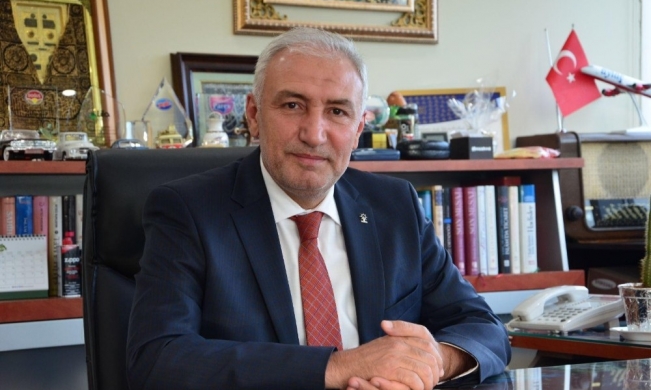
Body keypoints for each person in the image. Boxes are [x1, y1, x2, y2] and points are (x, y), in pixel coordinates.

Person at [126, 27, 510, 390]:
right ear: (254, 115)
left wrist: (431, 362)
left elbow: (483, 327)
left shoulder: (395, 206)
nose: (314, 134)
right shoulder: (188, 211)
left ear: (358, 129)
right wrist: (340, 367)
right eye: (293, 105)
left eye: (337, 111)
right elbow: (157, 359)